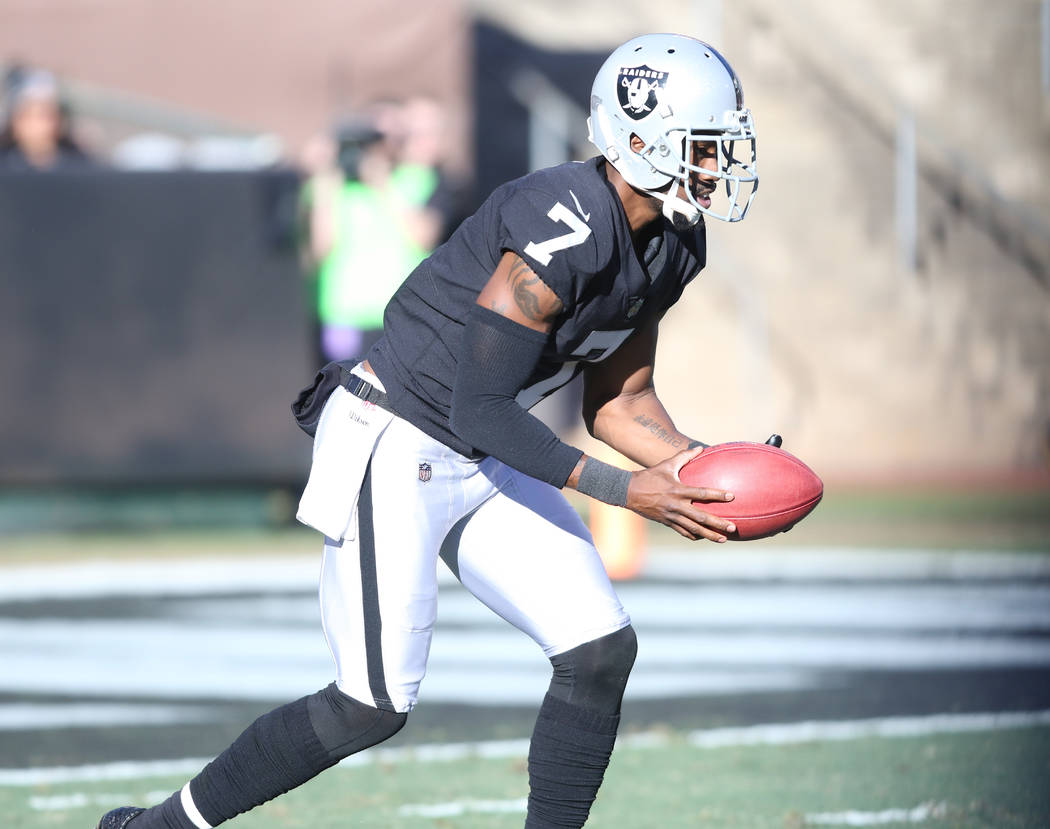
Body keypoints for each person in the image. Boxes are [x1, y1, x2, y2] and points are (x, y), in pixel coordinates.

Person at [98, 33, 761, 829]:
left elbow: (619, 401)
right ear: (642, 142)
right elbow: (479, 405)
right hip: (399, 432)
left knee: (598, 649)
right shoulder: (567, 219)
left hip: (480, 447)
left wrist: (705, 470)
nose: (719, 163)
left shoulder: (676, 242)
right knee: (369, 702)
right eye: (704, 144)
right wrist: (624, 490)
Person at [0, 67, 94, 172]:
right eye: (29, 116)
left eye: (45, 116)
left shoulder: (79, 164)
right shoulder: (4, 163)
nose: (37, 125)